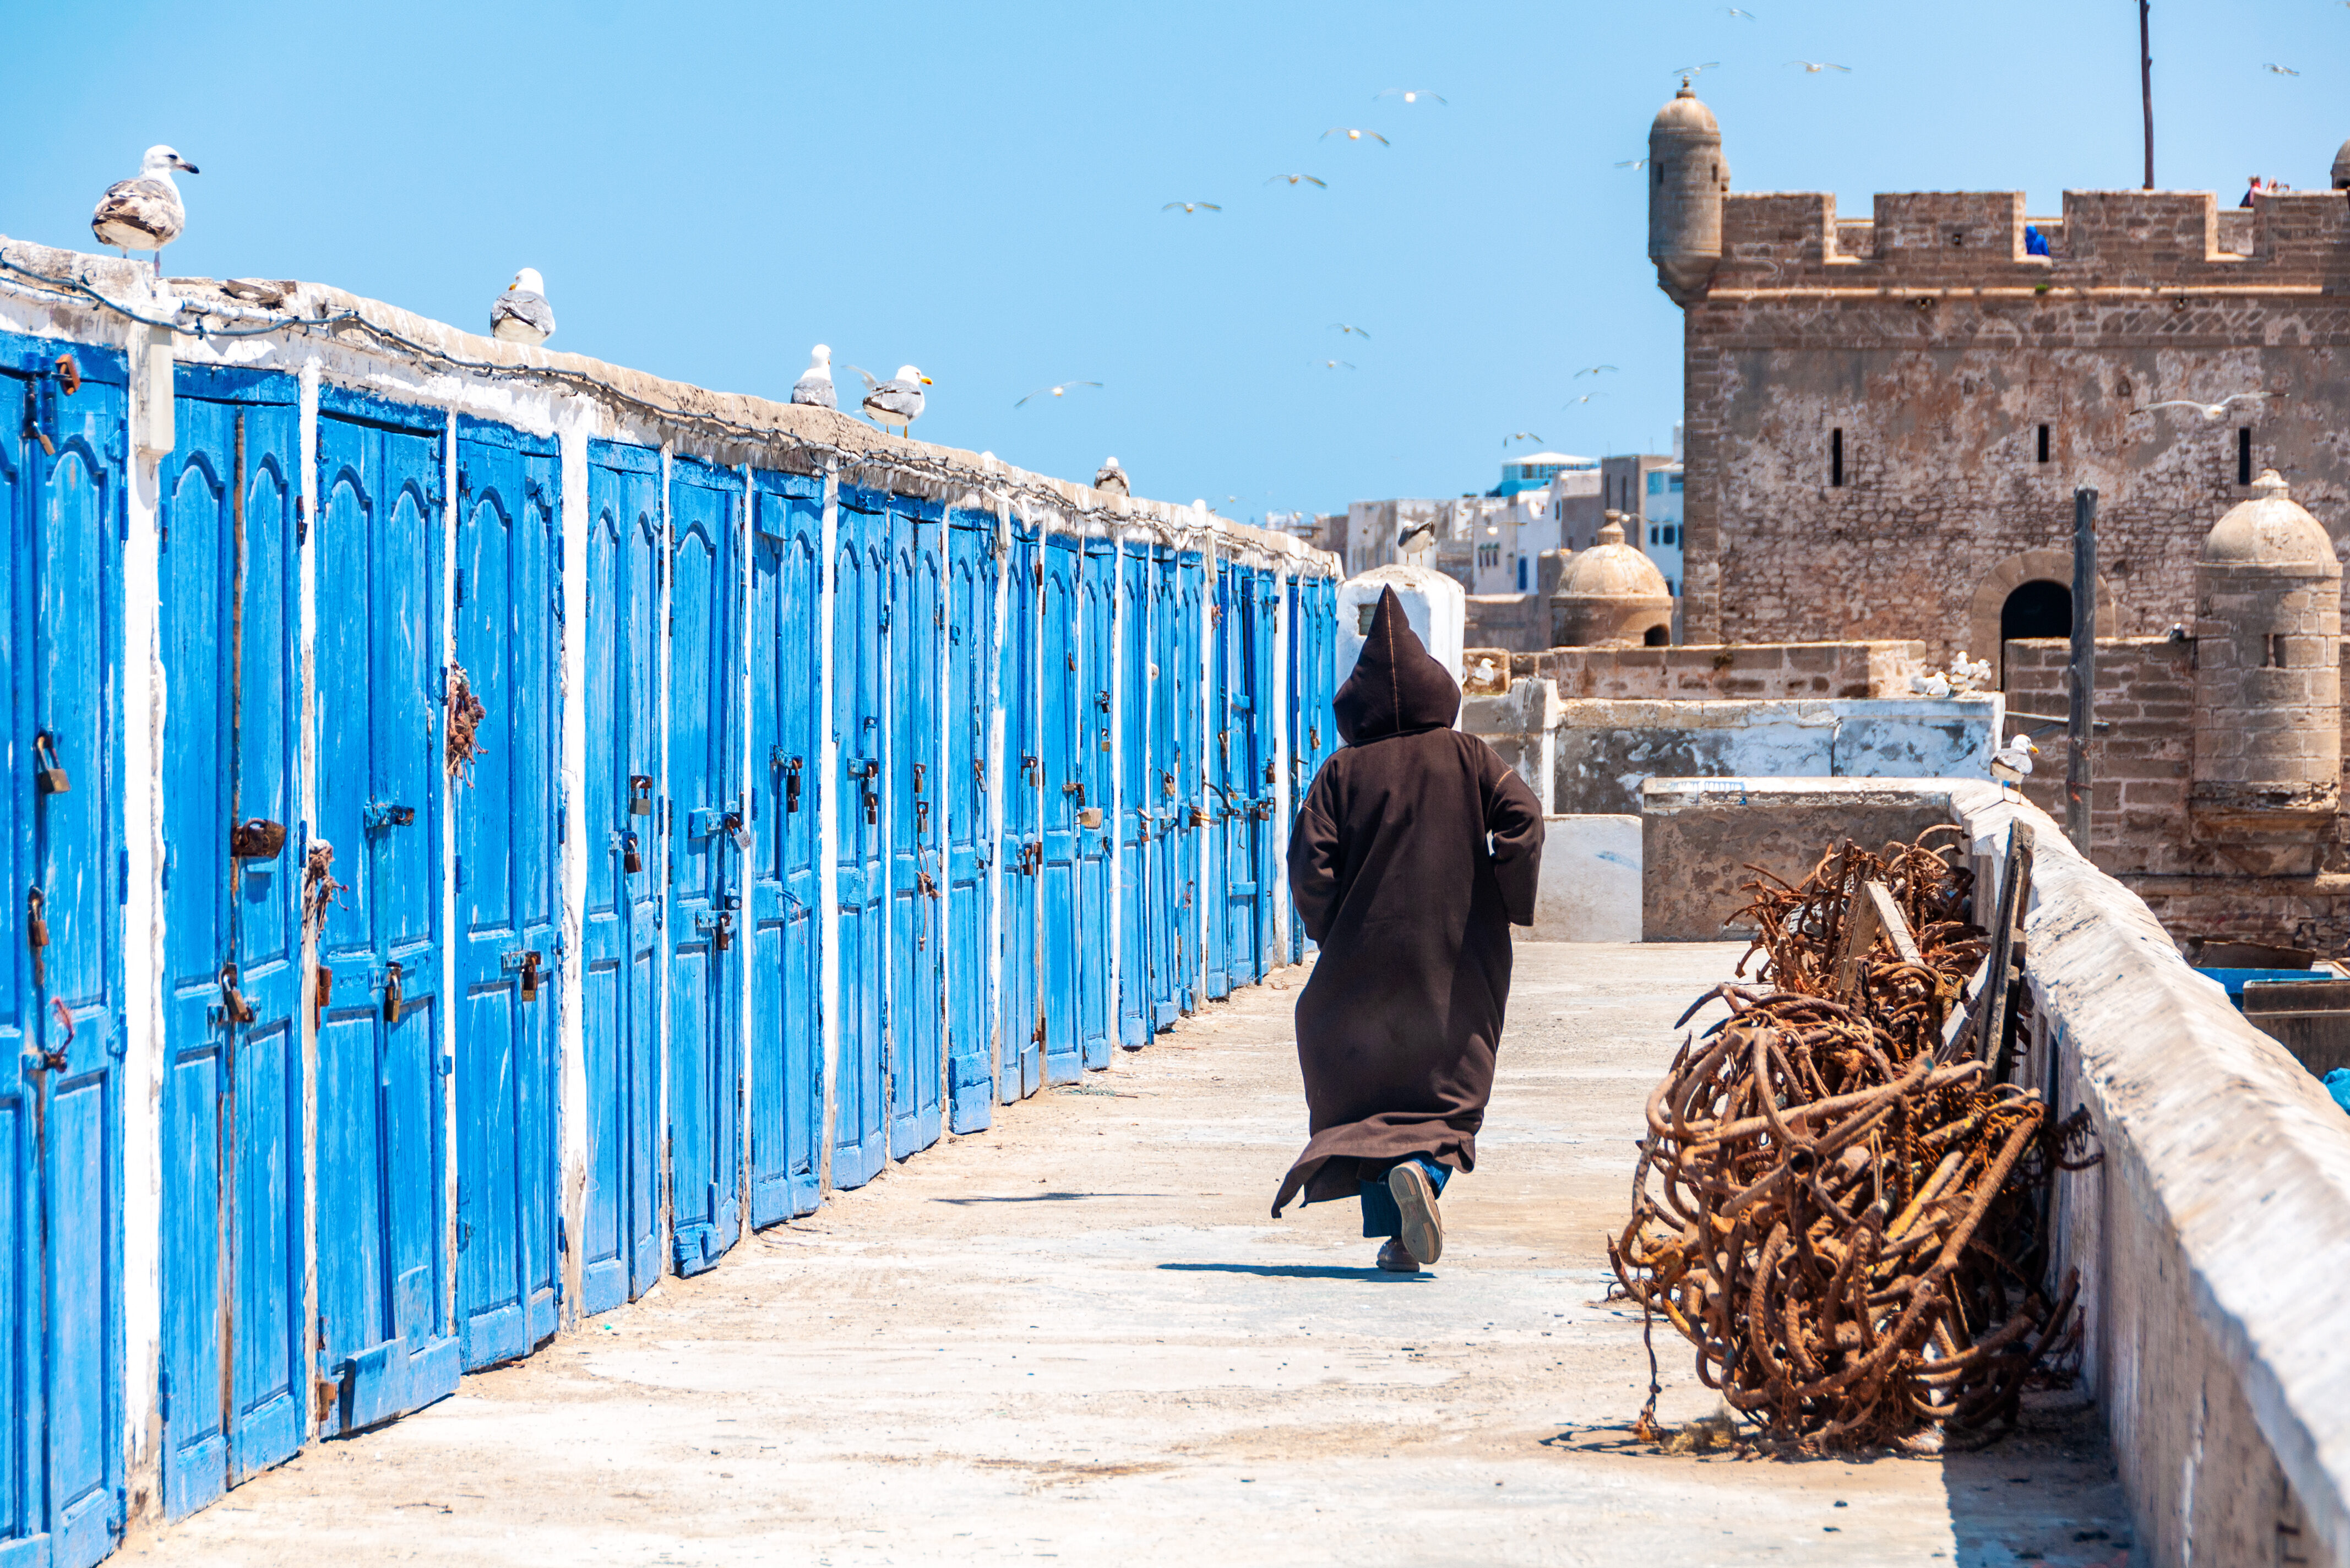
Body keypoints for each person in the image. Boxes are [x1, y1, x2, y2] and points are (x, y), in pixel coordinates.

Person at [1271, 588, 1544, 1272]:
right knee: (1450, 1091)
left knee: (1369, 1089)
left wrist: (1336, 931)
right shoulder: (1471, 757)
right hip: (1455, 961)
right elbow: (1524, 820)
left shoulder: (1338, 773)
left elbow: (1308, 864)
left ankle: (1399, 1238)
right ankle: (1424, 1175)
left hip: (1361, 968)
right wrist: (1500, 894)